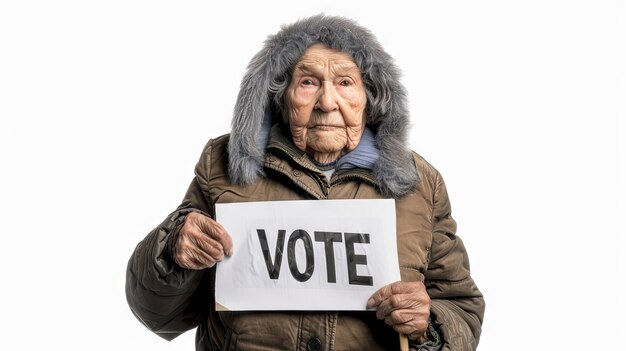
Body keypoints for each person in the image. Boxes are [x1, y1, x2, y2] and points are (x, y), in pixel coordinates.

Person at [126, 14, 485, 351]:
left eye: (345, 83)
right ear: (281, 96)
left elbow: (461, 308)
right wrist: (172, 249)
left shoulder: (421, 186)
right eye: (308, 82)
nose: (327, 102)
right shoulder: (221, 166)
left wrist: (428, 325)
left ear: (369, 99)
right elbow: (158, 314)